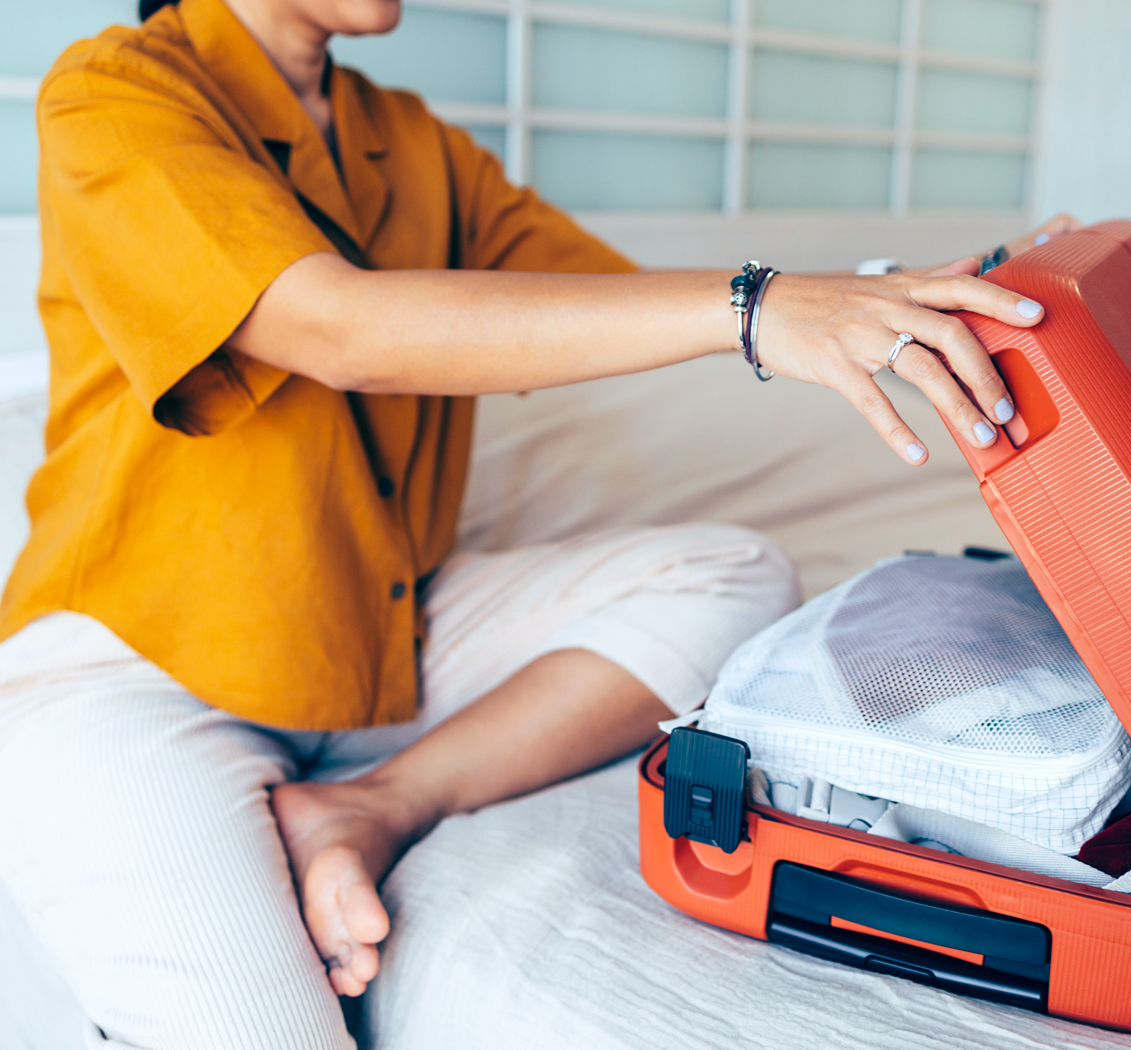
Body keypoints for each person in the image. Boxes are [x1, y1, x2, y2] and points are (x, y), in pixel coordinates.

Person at [0, 0, 1074, 1045]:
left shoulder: (405, 138)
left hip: (376, 640)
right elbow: (337, 329)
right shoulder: (118, 91)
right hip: (138, 667)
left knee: (735, 572)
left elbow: (615, 296)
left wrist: (896, 295)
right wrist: (756, 307)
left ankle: (371, 806)